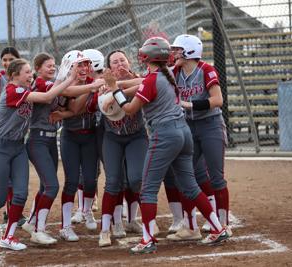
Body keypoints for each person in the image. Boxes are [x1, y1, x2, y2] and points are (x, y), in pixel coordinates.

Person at [105, 37, 229, 254]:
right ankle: (219, 228)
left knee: (147, 189)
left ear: (147, 57)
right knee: (190, 185)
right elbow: (149, 80)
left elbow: (129, 109)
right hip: (183, 132)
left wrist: (115, 89)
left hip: (164, 134)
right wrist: (121, 87)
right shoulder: (169, 72)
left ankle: (148, 239)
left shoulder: (154, 78)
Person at [0, 58, 78, 250]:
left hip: (18, 148)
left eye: (30, 72)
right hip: (0, 148)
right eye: (27, 72)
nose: (31, 75)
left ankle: (8, 237)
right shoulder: (12, 90)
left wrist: (65, 78)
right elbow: (45, 97)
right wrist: (71, 78)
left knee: (20, 194)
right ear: (14, 76)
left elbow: (51, 94)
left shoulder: (26, 90)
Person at [166, 34, 232, 240]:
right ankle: (190, 227)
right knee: (186, 176)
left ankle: (223, 224)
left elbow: (218, 100)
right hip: (188, 127)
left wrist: (191, 104)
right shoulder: (175, 71)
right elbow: (149, 80)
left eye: (178, 49)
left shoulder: (206, 69)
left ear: (190, 51)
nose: (174, 53)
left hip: (210, 125)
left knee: (216, 177)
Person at [98, 50, 149, 247]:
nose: (120, 65)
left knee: (137, 179)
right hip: (112, 138)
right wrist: (108, 87)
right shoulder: (101, 84)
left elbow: (142, 84)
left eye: (122, 60)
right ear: (109, 69)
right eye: (115, 63)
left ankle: (147, 224)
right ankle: (104, 230)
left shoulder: (140, 79)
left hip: (137, 136)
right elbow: (101, 101)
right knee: (112, 182)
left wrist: (116, 87)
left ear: (129, 63)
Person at [58, 51, 100, 242]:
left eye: (86, 64)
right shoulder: (66, 84)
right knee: (71, 181)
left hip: (90, 136)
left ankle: (87, 210)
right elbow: (73, 108)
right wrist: (90, 89)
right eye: (79, 65)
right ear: (70, 67)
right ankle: (65, 226)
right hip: (70, 137)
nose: (84, 69)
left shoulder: (93, 80)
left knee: (91, 180)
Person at [0, 47, 25, 225]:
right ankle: (10, 212)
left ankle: (14, 210)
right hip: (1, 127)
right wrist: (3, 116)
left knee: (17, 175)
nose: (7, 63)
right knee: (6, 176)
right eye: (4, 59)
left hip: (17, 131)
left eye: (11, 59)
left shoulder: (24, 78)